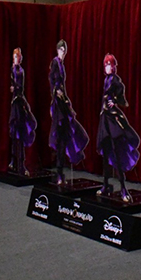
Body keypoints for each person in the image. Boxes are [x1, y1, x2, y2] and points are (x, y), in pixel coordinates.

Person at [96, 54, 141, 202]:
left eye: (109, 64)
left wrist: (114, 100)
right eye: (106, 65)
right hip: (105, 118)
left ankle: (123, 188)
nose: (107, 67)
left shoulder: (115, 80)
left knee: (116, 151)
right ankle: (105, 184)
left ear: (113, 66)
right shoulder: (106, 80)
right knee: (105, 151)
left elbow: (121, 95)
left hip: (113, 118)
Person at [48, 39, 89, 184]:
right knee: (61, 138)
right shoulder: (55, 62)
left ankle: (63, 168)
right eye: (61, 50)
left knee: (67, 135)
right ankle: (59, 172)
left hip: (63, 102)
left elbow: (61, 85)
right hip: (58, 104)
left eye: (64, 50)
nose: (63, 53)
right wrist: (56, 92)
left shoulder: (61, 64)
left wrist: (65, 99)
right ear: (57, 50)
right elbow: (52, 79)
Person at [8, 48, 37, 174]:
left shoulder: (21, 71)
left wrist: (15, 88)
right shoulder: (11, 70)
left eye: (18, 57)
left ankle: (21, 162)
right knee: (14, 134)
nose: (17, 59)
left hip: (19, 102)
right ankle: (13, 161)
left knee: (20, 133)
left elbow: (20, 86)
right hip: (14, 103)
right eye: (15, 57)